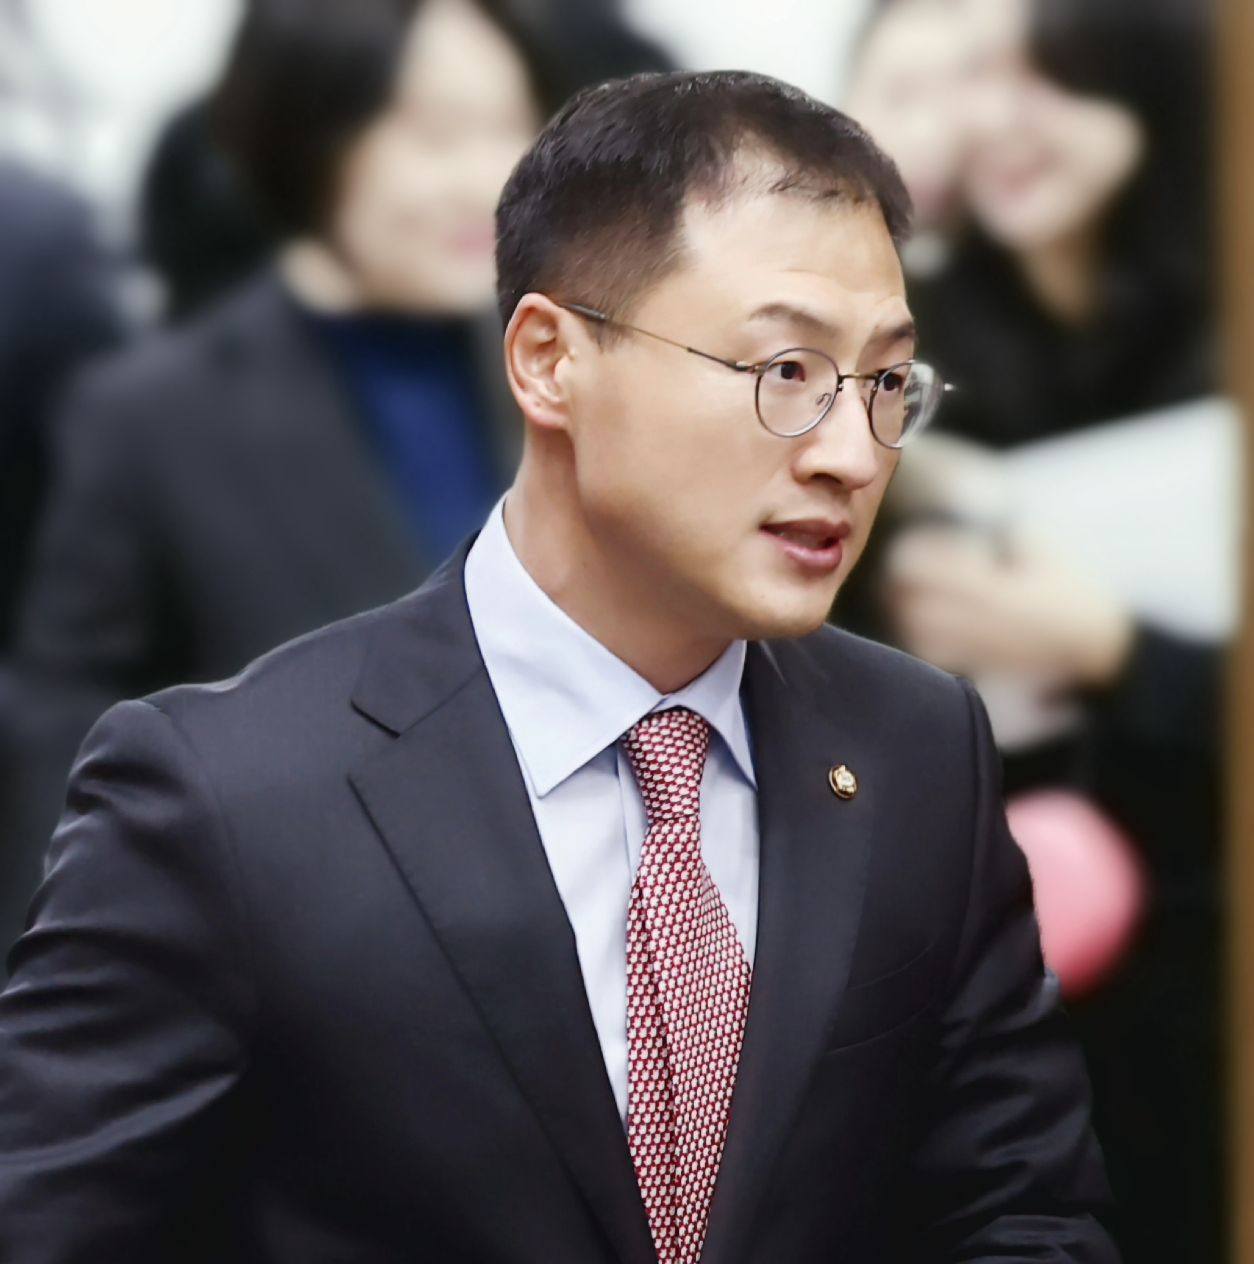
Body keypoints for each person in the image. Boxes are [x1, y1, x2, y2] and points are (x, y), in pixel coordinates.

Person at [0, 70, 1117, 1262]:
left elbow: (1023, 1208)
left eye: (886, 382)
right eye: (786, 372)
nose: (851, 451)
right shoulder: (227, 795)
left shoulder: (916, 745)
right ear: (548, 360)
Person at [0, 0, 670, 965]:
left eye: (507, 127)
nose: (481, 178)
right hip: (292, 964)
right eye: (434, 134)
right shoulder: (152, 418)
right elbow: (64, 729)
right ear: (310, 135)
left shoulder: (592, 371)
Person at [840, 1, 1224, 1259]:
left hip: (1203, 947)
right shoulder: (919, 348)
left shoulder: (1221, 333)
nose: (1000, 121)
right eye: (984, 81)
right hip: (989, 947)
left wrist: (1112, 649)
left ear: (1154, 93)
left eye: (1055, 81)